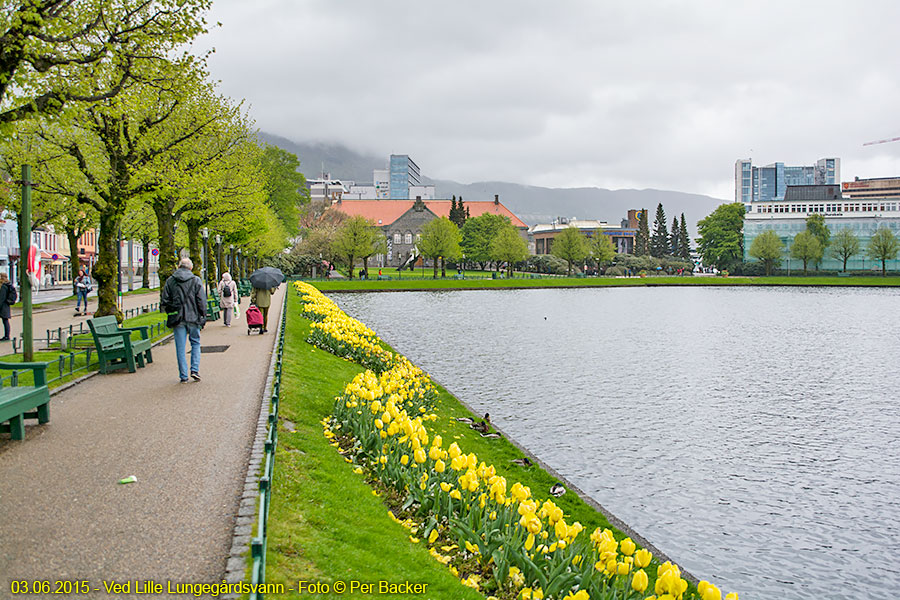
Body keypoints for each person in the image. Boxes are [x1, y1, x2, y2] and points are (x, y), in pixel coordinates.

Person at [161, 257, 207, 383]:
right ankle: (195, 370)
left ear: (179, 266)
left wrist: (172, 309)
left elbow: (164, 301)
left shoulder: (170, 281)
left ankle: (183, 375)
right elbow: (201, 300)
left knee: (180, 347)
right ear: (190, 267)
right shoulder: (196, 280)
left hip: (177, 318)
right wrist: (203, 314)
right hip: (193, 317)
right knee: (195, 343)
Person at [0, 273, 16, 341]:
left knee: (5, 321)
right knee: (5, 321)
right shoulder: (8, 285)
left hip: (3, 306)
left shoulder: (3, 286)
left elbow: (2, 297)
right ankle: (7, 335)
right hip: (6, 305)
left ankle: (6, 336)